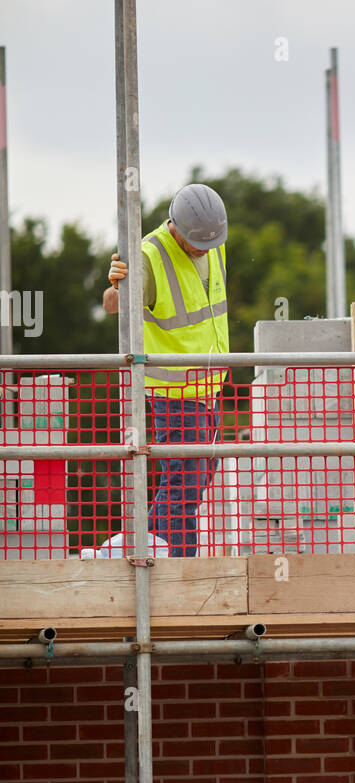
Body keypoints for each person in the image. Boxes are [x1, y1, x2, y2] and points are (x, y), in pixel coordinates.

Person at [102, 183, 229, 556]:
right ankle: (177, 569)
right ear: (178, 227)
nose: (204, 248)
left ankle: (148, 551)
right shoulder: (149, 255)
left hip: (209, 389)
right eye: (197, 242)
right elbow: (111, 305)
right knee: (182, 489)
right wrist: (117, 284)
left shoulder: (213, 242)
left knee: (192, 483)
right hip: (175, 394)